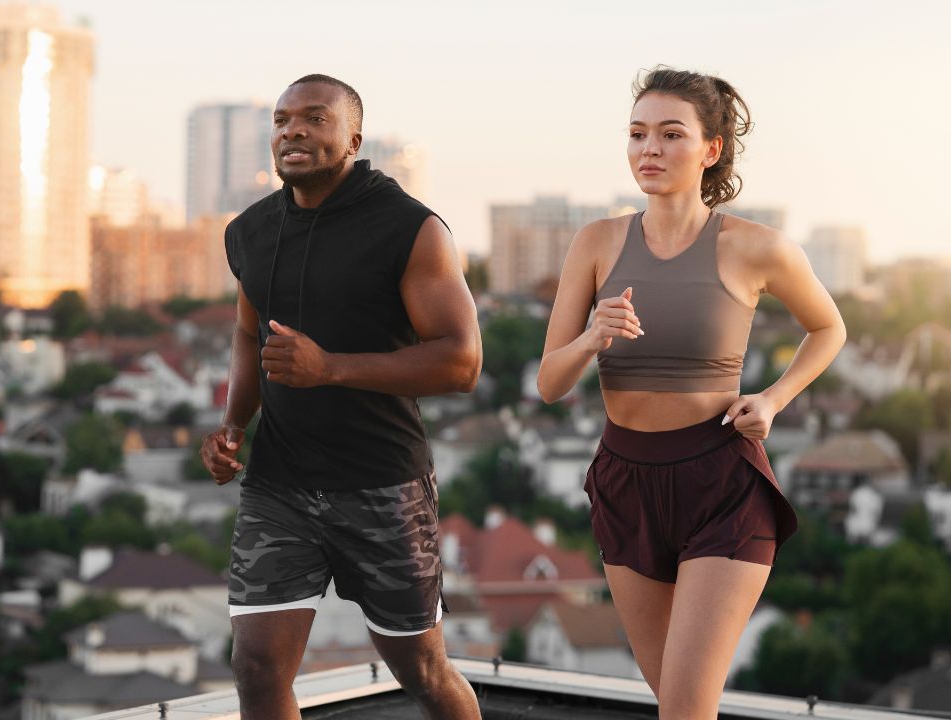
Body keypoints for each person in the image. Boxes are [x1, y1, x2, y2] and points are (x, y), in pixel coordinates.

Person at [537, 67, 846, 718]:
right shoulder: (595, 243)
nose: (649, 148)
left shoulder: (755, 247)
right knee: (675, 704)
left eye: (670, 134)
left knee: (684, 709)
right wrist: (593, 337)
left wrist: (773, 399)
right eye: (637, 133)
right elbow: (548, 383)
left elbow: (828, 327)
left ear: (711, 150)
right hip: (626, 485)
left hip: (723, 487)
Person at [201, 74, 483, 720]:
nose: (291, 130)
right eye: (280, 120)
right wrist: (233, 428)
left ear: (353, 138)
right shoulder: (250, 231)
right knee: (257, 666)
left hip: (381, 481)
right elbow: (250, 334)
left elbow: (462, 362)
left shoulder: (409, 228)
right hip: (280, 482)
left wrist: (330, 368)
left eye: (313, 118)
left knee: (420, 670)